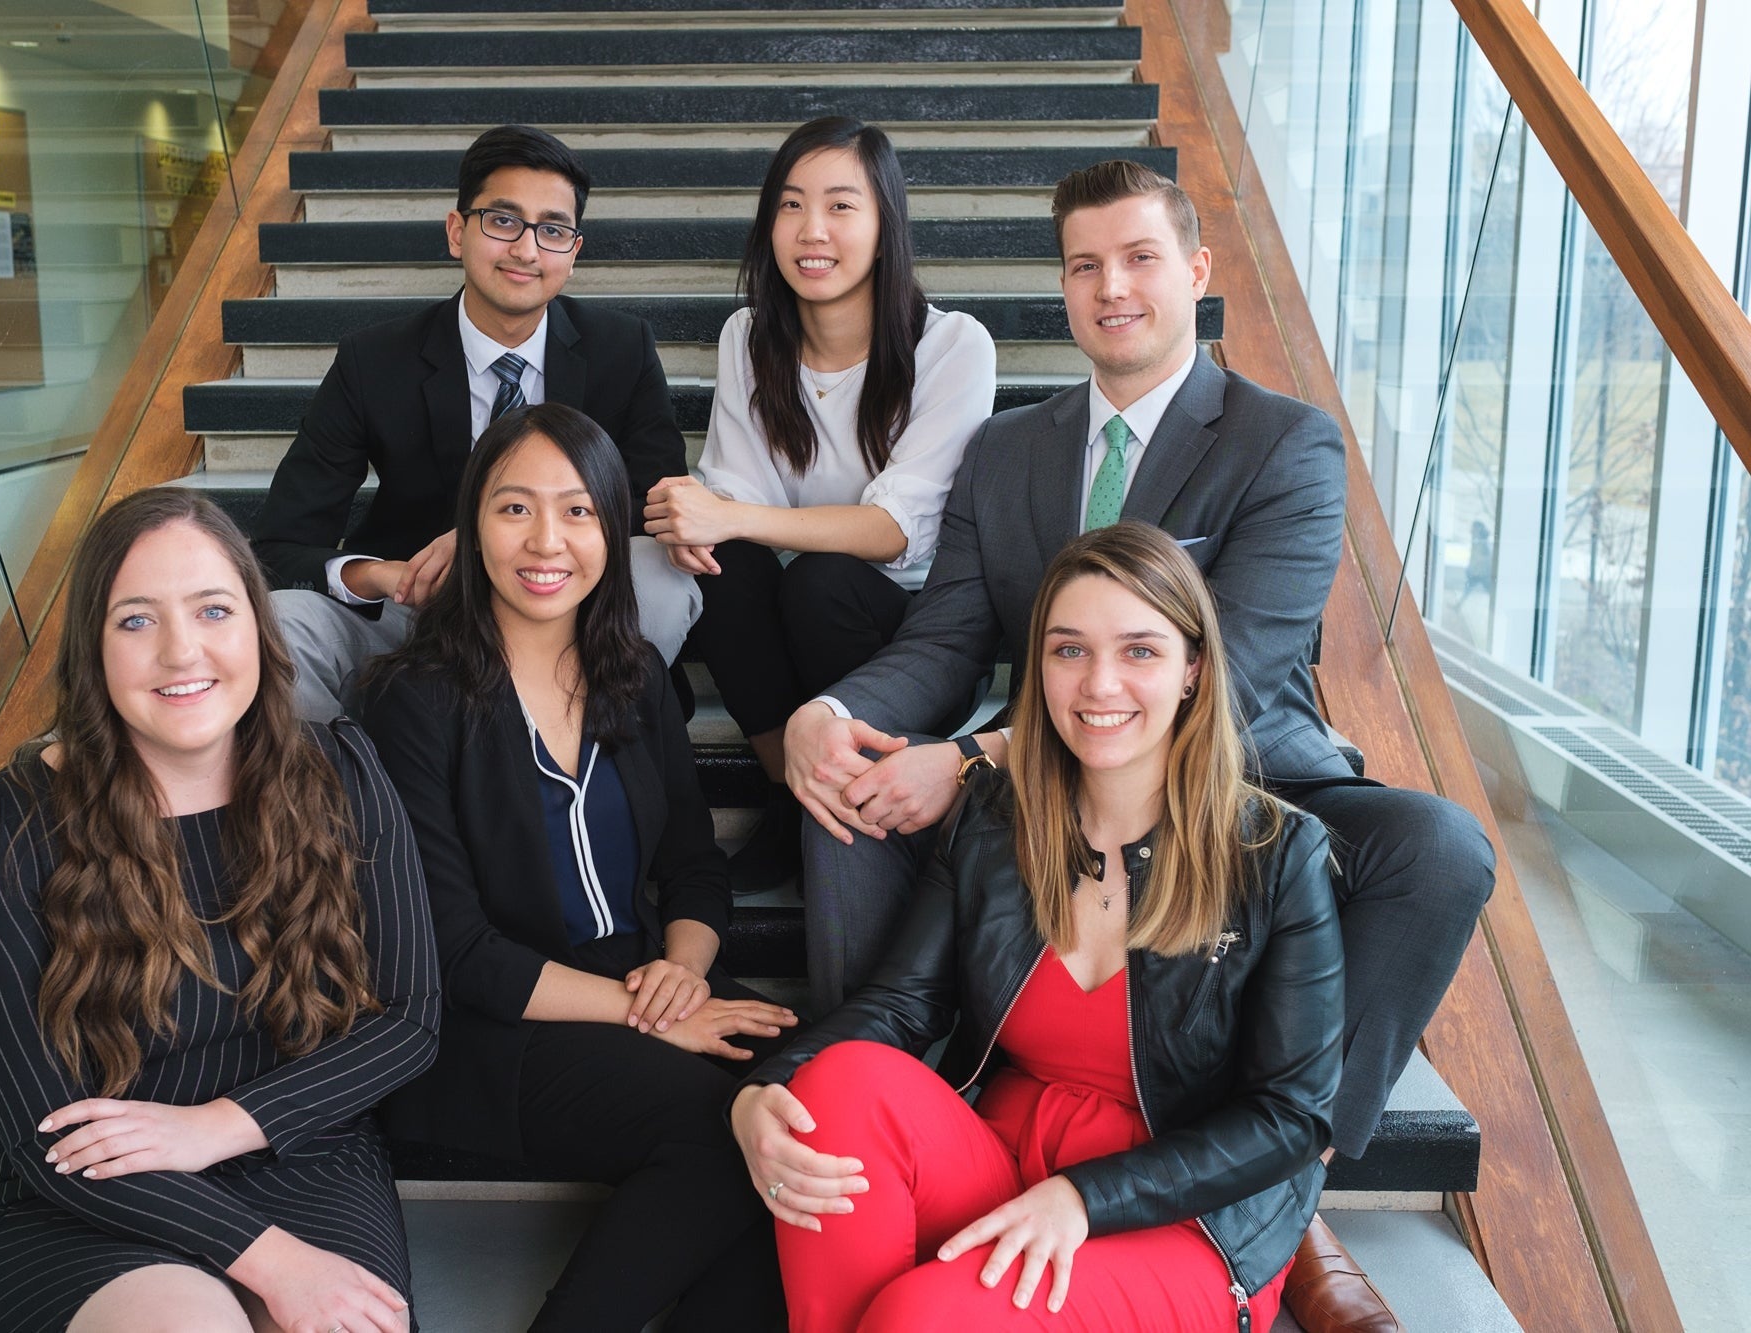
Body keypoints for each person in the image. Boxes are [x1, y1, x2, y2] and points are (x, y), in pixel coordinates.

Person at [781, 159, 1494, 1330]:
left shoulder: (1285, 440)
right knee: (844, 792)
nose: (1110, 286)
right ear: (1060, 287)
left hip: (1252, 765)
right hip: (1057, 771)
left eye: (1138, 258)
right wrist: (831, 711)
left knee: (1437, 847)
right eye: (1082, 265)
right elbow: (947, 633)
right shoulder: (1009, 449)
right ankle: (901, 1132)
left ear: (1197, 274)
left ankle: (1283, 1188)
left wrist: (972, 757)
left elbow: (1248, 663)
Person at [732, 523, 1343, 1331]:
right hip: (1010, 1160)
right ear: (1038, 668)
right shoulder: (994, 814)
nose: (1099, 684)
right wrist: (763, 1088)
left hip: (1186, 1217)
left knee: (919, 1316)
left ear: (1193, 669)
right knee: (838, 1084)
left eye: (1139, 651)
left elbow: (1291, 1116)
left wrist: (1088, 1197)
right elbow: (900, 1005)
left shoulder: (1277, 852)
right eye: (1069, 650)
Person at [0, 488, 441, 1333]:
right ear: (92, 648)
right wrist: (269, 1257)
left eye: (213, 608)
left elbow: (410, 1021)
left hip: (298, 1151)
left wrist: (215, 1127)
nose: (181, 651)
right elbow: (42, 1128)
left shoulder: (340, 772)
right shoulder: (1, 832)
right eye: (136, 621)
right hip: (85, 1188)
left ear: (257, 625)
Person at [362, 403, 799, 1331]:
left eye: (576, 511)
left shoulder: (635, 676)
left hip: (643, 976)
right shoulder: (413, 703)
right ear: (472, 526)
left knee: (809, 1109)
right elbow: (452, 947)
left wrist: (681, 974)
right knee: (722, 1136)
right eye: (514, 508)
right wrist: (648, 1016)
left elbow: (692, 866)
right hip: (484, 1028)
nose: (545, 540)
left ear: (609, 526)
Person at [645, 116, 996, 892]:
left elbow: (895, 530)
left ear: (884, 225)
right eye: (792, 205)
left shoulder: (953, 346)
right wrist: (698, 519)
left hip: (917, 637)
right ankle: (789, 790)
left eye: (841, 206)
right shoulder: (748, 338)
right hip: (800, 616)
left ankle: (849, 793)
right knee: (724, 564)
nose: (813, 230)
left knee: (820, 578)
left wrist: (729, 514)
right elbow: (736, 498)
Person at [254, 123, 698, 722]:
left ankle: (580, 748)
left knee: (665, 578)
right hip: (420, 613)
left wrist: (510, 540)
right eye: (503, 220)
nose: (526, 249)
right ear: (457, 231)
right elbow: (279, 546)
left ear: (574, 252)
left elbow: (654, 509)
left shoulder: (622, 349)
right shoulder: (374, 360)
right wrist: (385, 576)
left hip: (566, 609)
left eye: (553, 230)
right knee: (280, 624)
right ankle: (366, 799)